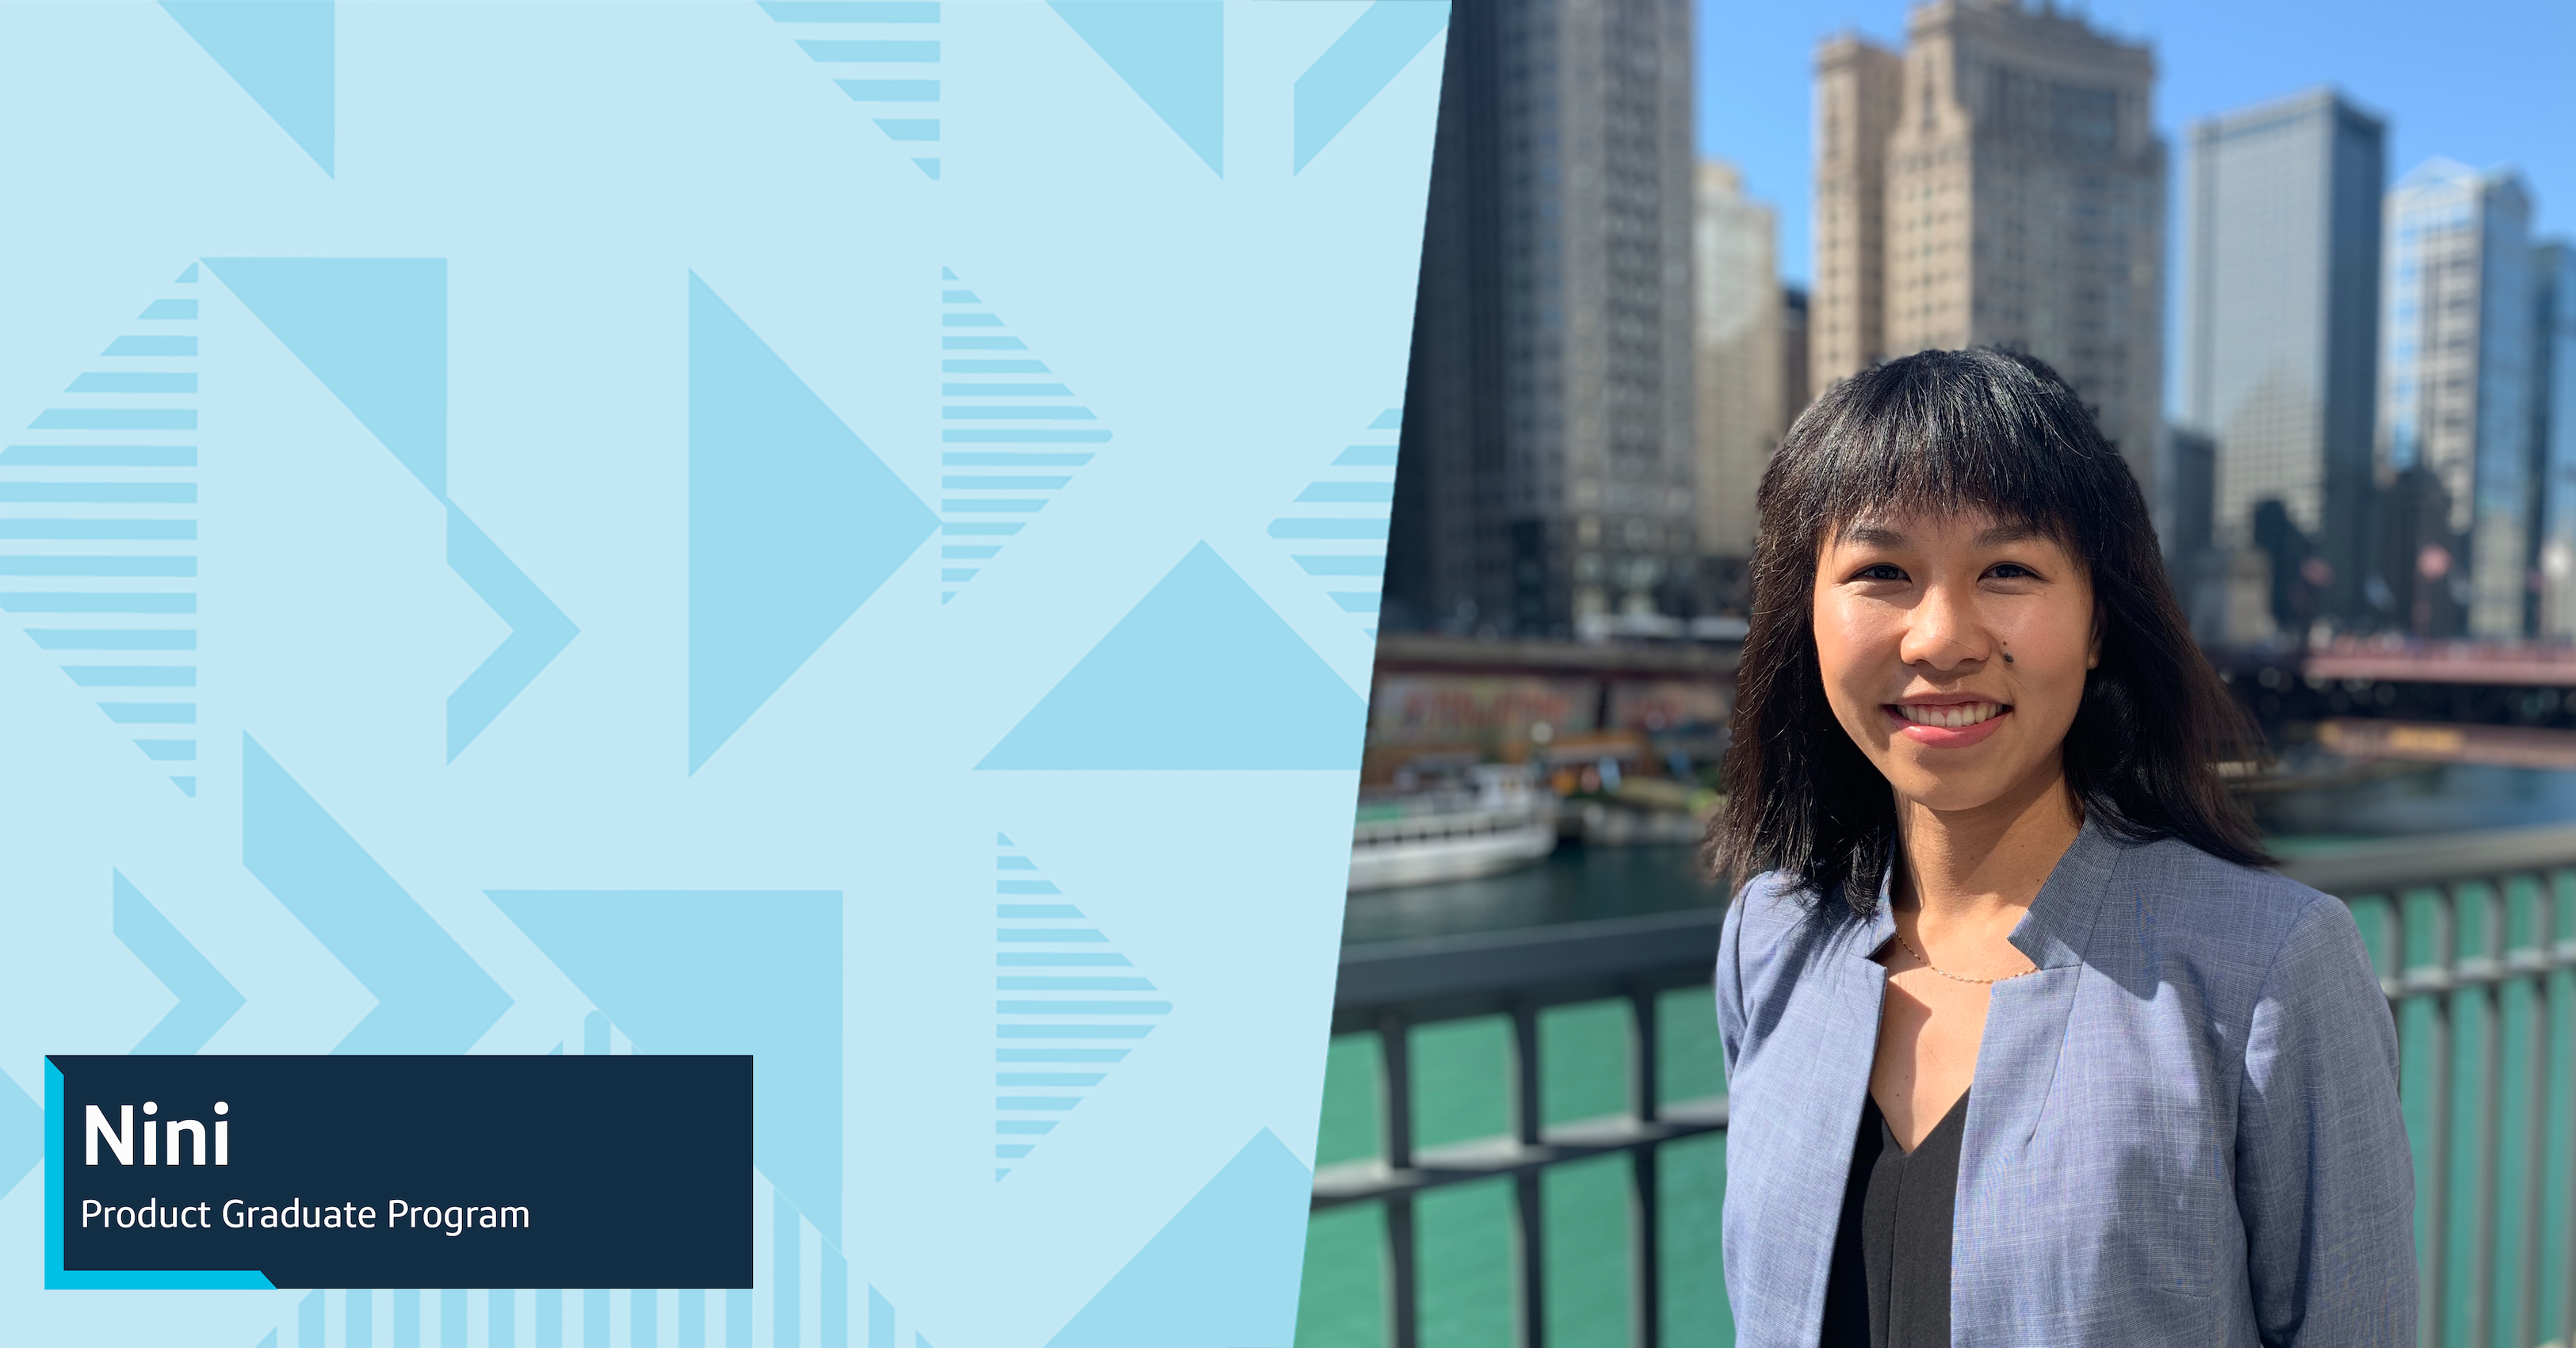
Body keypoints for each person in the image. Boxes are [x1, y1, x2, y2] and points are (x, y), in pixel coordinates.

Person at [1707, 349, 2414, 1346]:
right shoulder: (1771, 937)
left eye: (2007, 571)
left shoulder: (2269, 969)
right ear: (1806, 618)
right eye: (1880, 573)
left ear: (2095, 622)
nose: (1941, 638)